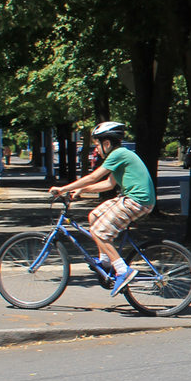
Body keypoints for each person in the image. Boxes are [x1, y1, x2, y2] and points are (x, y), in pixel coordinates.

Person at [47, 121, 156, 296]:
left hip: (136, 201)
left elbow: (94, 177)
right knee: (95, 216)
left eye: (97, 144)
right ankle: (106, 261)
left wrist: (63, 189)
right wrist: (81, 189)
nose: (95, 148)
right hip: (132, 199)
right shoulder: (120, 155)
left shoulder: (119, 153)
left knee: (98, 231)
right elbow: (109, 184)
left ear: (107, 143)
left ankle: (122, 270)